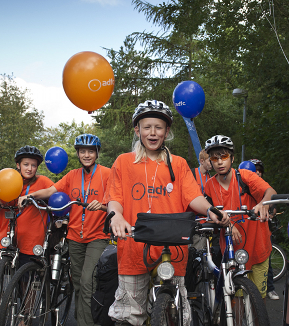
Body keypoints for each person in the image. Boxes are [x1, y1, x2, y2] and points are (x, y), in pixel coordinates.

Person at [104, 100, 229, 326]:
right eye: (147, 127)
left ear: (167, 131)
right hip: (134, 246)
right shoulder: (123, 162)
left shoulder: (178, 164)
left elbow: (193, 197)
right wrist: (117, 217)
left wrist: (210, 209)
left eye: (159, 127)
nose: (153, 133)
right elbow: (115, 199)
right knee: (128, 315)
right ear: (137, 130)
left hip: (172, 247)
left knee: (177, 314)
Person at [17, 134, 111, 326]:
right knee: (77, 283)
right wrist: (31, 195)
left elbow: (117, 200)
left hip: (98, 236)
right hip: (75, 236)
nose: (86, 155)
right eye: (82, 151)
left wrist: (102, 206)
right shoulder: (72, 176)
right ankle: (81, 319)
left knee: (88, 282)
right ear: (77, 153)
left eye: (91, 151)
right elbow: (52, 191)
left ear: (97, 153)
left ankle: (89, 323)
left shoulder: (107, 174)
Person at [204, 136, 277, 301]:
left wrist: (264, 204)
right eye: (214, 158)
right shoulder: (209, 185)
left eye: (224, 157)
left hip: (258, 247)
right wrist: (228, 224)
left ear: (232, 158)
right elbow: (209, 212)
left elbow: (270, 192)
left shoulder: (245, 177)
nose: (219, 162)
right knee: (235, 300)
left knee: (259, 301)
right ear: (210, 161)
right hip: (232, 252)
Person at [0, 145, 53, 296]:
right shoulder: (8, 178)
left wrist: (31, 196)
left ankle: (25, 320)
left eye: (33, 165)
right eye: (26, 164)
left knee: (28, 286)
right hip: (5, 240)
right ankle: (7, 299)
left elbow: (53, 190)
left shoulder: (42, 181)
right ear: (18, 165)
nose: (30, 168)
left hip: (30, 243)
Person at [249, 158, 279, 300]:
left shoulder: (264, 187)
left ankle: (270, 288)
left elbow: (272, 202)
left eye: (260, 171)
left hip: (262, 231)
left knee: (266, 261)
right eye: (256, 170)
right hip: (247, 232)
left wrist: (269, 209)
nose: (258, 173)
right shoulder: (244, 186)